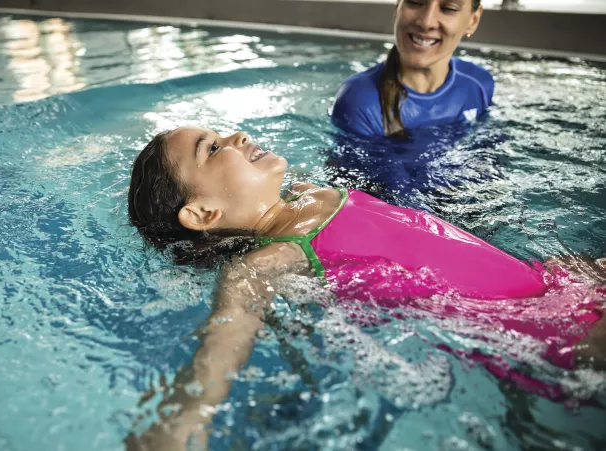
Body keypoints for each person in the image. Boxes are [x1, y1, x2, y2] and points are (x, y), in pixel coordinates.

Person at [125, 127, 605, 450]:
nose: (238, 135)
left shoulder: (307, 194)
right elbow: (219, 350)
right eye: (212, 149)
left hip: (555, 284)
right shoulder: (268, 262)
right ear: (204, 214)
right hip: (547, 331)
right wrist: (182, 421)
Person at [331, 0, 493, 138]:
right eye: (415, 2)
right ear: (397, 7)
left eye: (448, 8)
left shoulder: (479, 83)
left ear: (473, 20)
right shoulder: (361, 101)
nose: (426, 22)